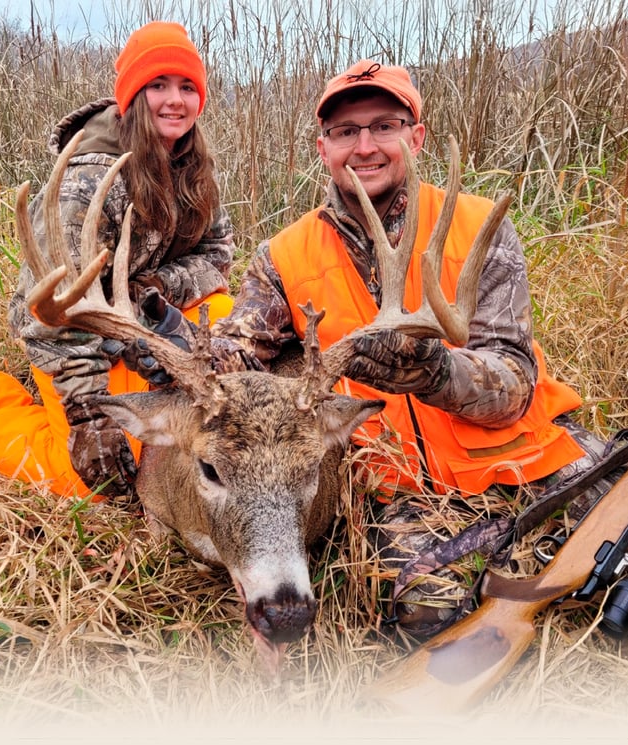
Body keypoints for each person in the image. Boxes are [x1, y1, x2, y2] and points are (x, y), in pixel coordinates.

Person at [209, 59, 622, 634]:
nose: (365, 146)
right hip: (397, 485)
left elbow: (515, 383)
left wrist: (437, 373)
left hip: (529, 452)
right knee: (427, 613)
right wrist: (179, 351)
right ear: (323, 147)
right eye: (345, 131)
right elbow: (232, 359)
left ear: (415, 135)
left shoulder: (479, 226)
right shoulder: (283, 256)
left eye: (385, 125)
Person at [0, 22, 234, 500]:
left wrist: (156, 289)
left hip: (143, 324)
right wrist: (87, 409)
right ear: (132, 94)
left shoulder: (194, 168)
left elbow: (218, 254)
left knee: (225, 318)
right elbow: (50, 313)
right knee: (101, 479)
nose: (175, 100)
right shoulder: (86, 183)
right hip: (76, 341)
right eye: (158, 85)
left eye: (187, 87)